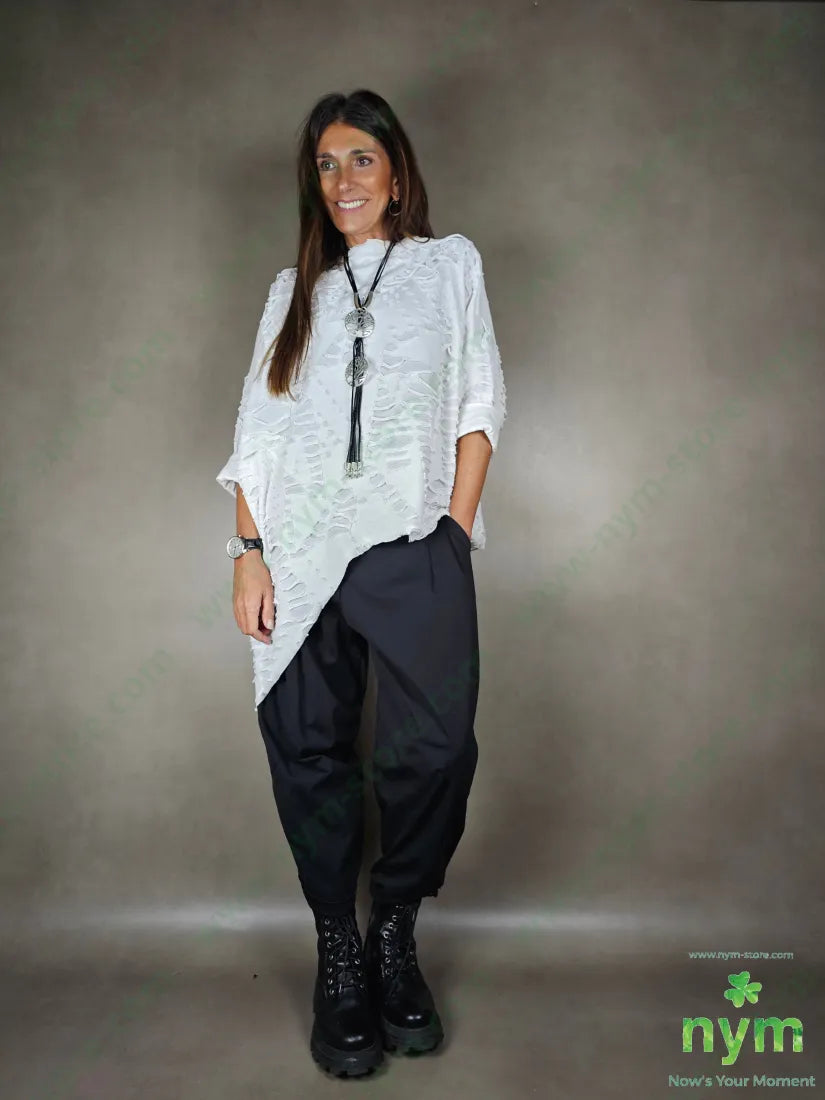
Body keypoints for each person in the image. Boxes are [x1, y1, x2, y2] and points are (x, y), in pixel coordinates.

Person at [215, 88, 506, 1078]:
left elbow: (478, 402)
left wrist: (451, 531)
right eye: (326, 164)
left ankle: (395, 928)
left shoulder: (447, 265)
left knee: (434, 748)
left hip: (411, 542)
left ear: (397, 170)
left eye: (361, 160)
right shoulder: (289, 292)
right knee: (308, 747)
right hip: (297, 549)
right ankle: (339, 948)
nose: (342, 181)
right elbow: (256, 431)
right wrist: (247, 550)